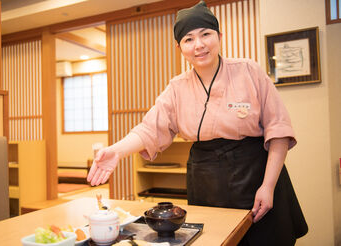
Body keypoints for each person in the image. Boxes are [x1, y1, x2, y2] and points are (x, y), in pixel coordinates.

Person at [87, 1, 308, 245]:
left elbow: (278, 131)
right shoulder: (176, 87)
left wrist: (268, 186)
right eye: (188, 39)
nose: (199, 45)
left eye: (206, 34)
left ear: (219, 36)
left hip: (256, 176)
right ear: (179, 47)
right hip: (206, 180)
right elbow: (149, 129)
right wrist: (116, 151)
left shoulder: (249, 71)